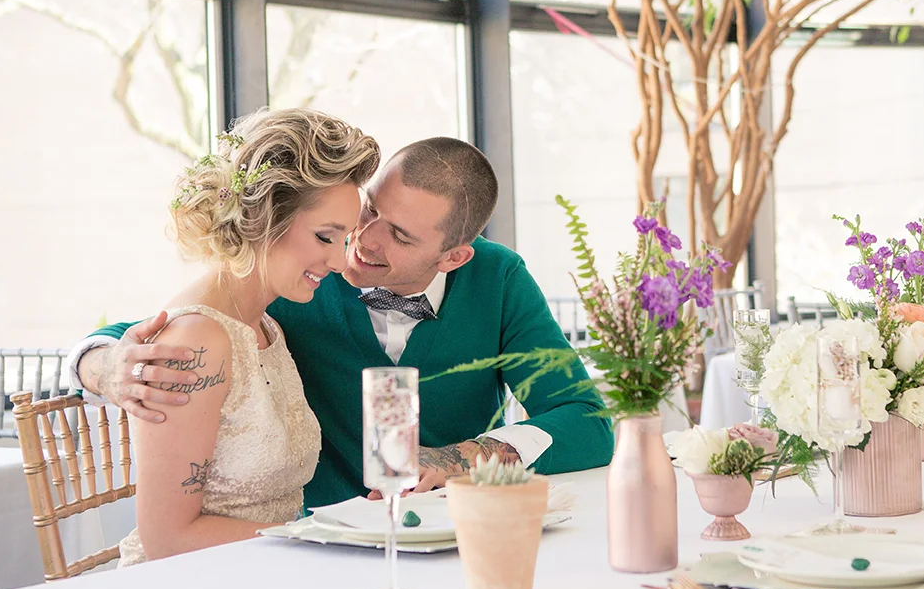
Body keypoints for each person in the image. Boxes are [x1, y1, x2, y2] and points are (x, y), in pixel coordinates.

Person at [73, 135, 614, 509]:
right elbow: (169, 328)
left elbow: (586, 421)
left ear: (453, 257)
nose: (364, 241)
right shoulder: (302, 269)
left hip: (447, 538)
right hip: (310, 545)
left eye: (400, 236)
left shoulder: (498, 279)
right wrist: (104, 366)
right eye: (371, 210)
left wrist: (461, 458)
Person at [113, 108, 380, 564]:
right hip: (189, 586)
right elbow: (167, 540)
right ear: (264, 218)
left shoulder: (266, 326)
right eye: (325, 237)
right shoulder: (196, 342)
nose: (339, 263)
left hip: (271, 570)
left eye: (345, 240)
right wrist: (326, 535)